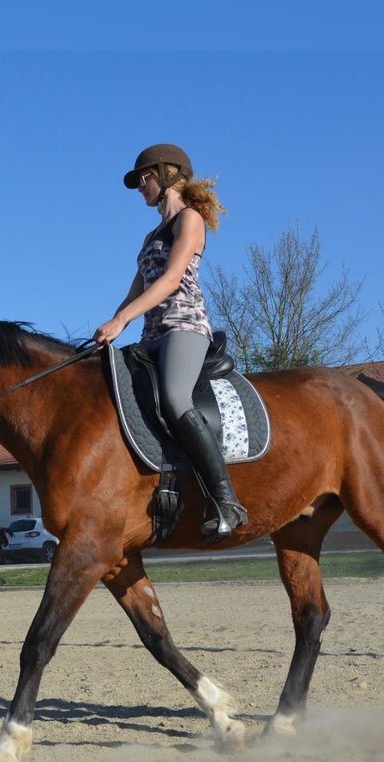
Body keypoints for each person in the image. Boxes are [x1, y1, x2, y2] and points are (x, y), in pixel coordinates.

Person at [92, 143, 247, 542]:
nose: (140, 186)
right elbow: (137, 289)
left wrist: (124, 318)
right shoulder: (149, 236)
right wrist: (113, 325)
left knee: (177, 399)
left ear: (167, 174)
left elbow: (171, 280)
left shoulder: (189, 220)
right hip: (150, 336)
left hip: (185, 327)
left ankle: (226, 499)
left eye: (144, 177)